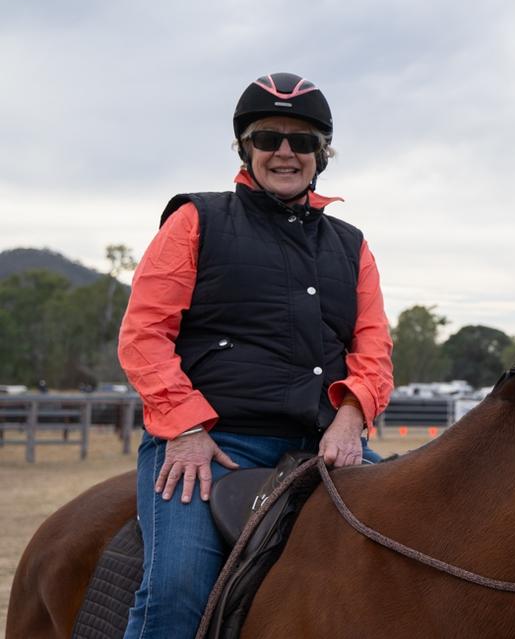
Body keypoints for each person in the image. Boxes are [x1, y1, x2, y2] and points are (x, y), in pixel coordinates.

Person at [117, 72, 394, 639]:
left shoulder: (352, 244)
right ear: (246, 149)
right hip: (214, 443)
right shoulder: (196, 219)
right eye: (269, 138)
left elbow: (373, 348)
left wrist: (350, 419)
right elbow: (144, 333)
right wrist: (187, 428)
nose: (285, 152)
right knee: (177, 592)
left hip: (325, 445)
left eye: (303, 141)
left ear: (323, 155)